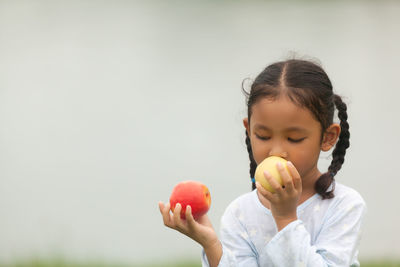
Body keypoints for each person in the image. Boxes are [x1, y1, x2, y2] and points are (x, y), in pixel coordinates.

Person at [158, 59, 366, 267]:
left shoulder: (344, 205)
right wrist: (210, 243)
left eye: (294, 139)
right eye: (263, 136)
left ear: (328, 137)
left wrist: (285, 219)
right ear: (249, 131)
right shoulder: (240, 213)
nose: (276, 151)